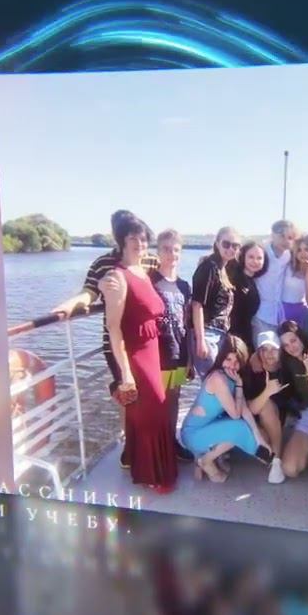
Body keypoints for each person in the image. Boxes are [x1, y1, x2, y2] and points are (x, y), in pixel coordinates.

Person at [49, 210, 161, 470]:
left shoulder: (149, 260)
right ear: (118, 235)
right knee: (129, 395)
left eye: (139, 235)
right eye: (126, 233)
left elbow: (156, 285)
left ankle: (145, 447)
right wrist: (70, 304)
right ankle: (130, 448)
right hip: (117, 341)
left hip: (145, 340)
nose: (136, 241)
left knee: (147, 398)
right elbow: (88, 293)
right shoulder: (103, 264)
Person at [99, 211, 178, 494]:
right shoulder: (117, 277)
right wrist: (125, 373)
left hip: (152, 348)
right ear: (122, 240)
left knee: (147, 411)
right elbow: (113, 328)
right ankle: (152, 473)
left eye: (143, 239)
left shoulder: (143, 270)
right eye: (133, 238)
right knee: (153, 409)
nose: (140, 243)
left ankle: (137, 461)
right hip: (135, 353)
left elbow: (170, 265)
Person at [180, 335, 276, 482]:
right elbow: (236, 415)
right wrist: (239, 386)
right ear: (221, 358)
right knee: (238, 428)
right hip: (193, 434)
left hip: (207, 427)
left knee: (249, 429)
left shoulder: (232, 377)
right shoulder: (218, 379)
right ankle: (205, 461)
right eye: (228, 359)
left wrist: (258, 438)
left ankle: (208, 457)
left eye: (237, 362)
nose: (232, 365)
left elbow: (244, 410)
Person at [150, 229, 196, 461]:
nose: (171, 254)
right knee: (156, 402)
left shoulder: (184, 286)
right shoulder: (150, 282)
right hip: (157, 355)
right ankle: (156, 448)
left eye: (175, 250)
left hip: (179, 354)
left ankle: (171, 442)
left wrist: (189, 360)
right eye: (166, 249)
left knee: (173, 399)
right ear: (158, 251)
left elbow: (187, 323)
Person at [272, 321, 308, 484]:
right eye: (285, 345)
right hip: (307, 413)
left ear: (301, 337)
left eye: (293, 340)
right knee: (289, 469)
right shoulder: (289, 361)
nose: (291, 347)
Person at [191, 227, 240, 378]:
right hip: (207, 334)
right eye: (226, 244)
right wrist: (200, 340)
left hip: (219, 334)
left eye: (235, 246)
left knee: (216, 382)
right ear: (217, 243)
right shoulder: (209, 267)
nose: (230, 249)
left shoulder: (223, 269)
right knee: (212, 381)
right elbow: (197, 304)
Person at [244, 331, 292, 483]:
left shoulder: (286, 368)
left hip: (278, 417)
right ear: (258, 352)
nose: (269, 354)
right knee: (265, 406)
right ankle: (271, 454)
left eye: (273, 349)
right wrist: (267, 392)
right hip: (254, 421)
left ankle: (276, 460)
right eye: (264, 349)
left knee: (267, 407)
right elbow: (250, 409)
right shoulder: (252, 370)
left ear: (280, 350)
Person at [253, 219, 300, 338]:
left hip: (279, 316)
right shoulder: (261, 253)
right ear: (273, 235)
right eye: (282, 236)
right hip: (260, 314)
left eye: (290, 238)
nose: (286, 241)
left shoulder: (289, 255)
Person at [227, 240, 266, 348]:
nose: (255, 261)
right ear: (243, 257)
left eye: (259, 258)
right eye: (251, 257)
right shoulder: (234, 279)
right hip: (232, 336)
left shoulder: (252, 281)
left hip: (245, 334)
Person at [283, 236, 308, 328]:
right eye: (299, 250)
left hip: (302, 310)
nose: (303, 253)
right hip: (284, 309)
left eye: (306, 249)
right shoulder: (287, 265)